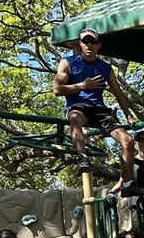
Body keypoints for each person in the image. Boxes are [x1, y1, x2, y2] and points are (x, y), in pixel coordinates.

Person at [52, 27, 138, 182]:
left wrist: (128, 115)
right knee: (75, 118)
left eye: (92, 42)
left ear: (99, 45)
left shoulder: (105, 68)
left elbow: (119, 93)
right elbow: (57, 89)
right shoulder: (68, 63)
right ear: (80, 43)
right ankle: (82, 157)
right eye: (85, 41)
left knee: (129, 141)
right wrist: (82, 86)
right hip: (78, 107)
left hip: (100, 110)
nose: (89, 45)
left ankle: (127, 183)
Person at [110, 129, 144, 200]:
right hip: (137, 198)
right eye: (140, 140)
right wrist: (111, 193)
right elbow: (121, 182)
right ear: (135, 144)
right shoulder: (131, 162)